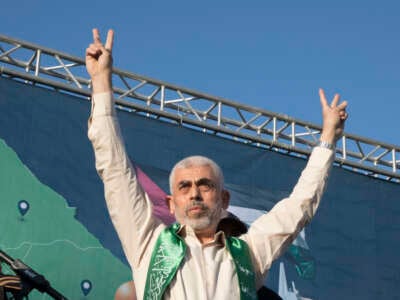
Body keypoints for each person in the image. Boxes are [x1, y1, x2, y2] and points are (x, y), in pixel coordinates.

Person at [86, 29, 348, 300]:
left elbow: (299, 206)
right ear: (171, 203)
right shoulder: (149, 245)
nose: (195, 193)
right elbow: (115, 170)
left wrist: (327, 139)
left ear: (224, 199)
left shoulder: (248, 254)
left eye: (205, 185)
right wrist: (101, 82)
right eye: (184, 187)